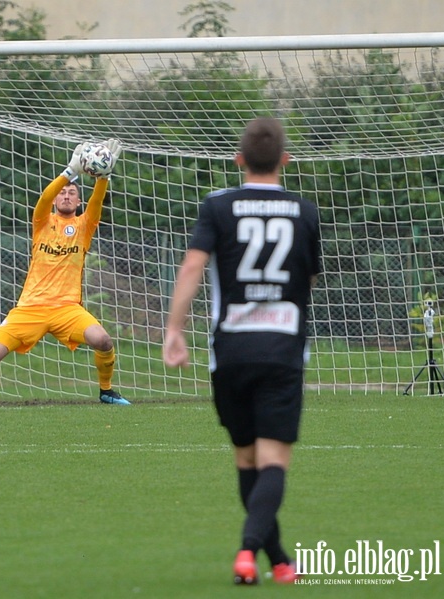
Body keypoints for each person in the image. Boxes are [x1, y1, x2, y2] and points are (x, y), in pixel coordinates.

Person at [162, 117, 321, 586]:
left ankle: (273, 560)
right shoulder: (304, 209)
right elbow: (309, 276)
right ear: (285, 161)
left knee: (247, 459)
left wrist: (174, 328)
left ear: (239, 160)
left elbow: (194, 265)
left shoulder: (218, 205)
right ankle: (251, 551)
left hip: (229, 350)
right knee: (272, 461)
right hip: (283, 350)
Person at [0, 139, 130, 407]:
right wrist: (69, 172)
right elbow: (45, 198)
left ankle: (106, 391)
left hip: (66, 309)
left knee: (103, 340)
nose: (66, 195)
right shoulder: (42, 221)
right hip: (29, 309)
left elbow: (97, 202)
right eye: (63, 193)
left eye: (72, 193)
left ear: (78, 200)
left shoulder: (84, 225)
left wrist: (103, 179)